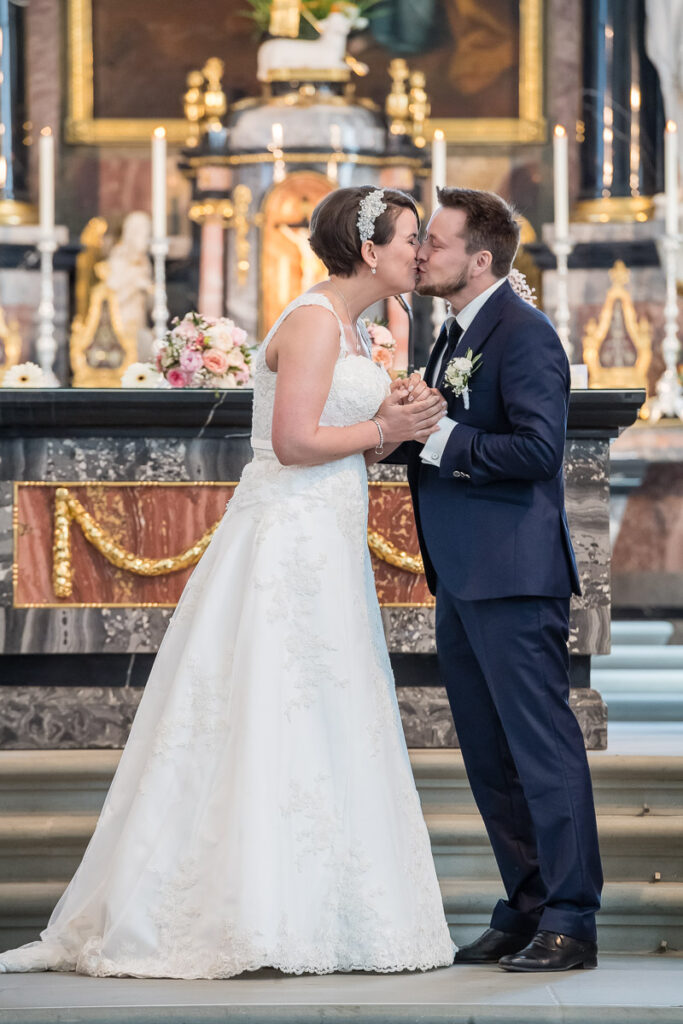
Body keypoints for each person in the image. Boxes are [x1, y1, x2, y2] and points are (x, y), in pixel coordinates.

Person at [0, 186, 454, 979]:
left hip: (328, 533)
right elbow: (292, 441)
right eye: (411, 237)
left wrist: (397, 424)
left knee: (325, 704)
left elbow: (344, 444)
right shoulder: (314, 320)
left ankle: (319, 905)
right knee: (268, 702)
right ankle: (234, 908)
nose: (421, 252)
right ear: (368, 250)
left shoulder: (358, 326)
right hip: (285, 540)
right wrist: (385, 427)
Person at [405, 187, 603, 972]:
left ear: (477, 258)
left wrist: (438, 436)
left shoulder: (523, 334)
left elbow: (534, 453)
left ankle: (571, 918)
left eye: (435, 241)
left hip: (514, 575)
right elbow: (436, 436)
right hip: (462, 573)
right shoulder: (452, 331)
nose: (420, 252)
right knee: (490, 757)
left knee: (539, 750)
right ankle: (524, 905)